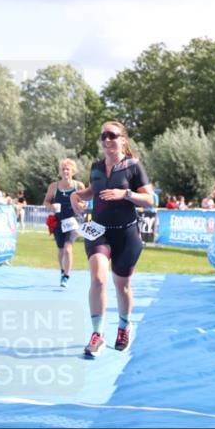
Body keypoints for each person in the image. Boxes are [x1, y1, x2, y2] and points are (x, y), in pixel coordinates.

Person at [72, 121, 154, 357]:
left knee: (123, 286)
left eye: (112, 135)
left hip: (127, 233)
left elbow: (150, 199)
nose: (107, 140)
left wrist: (125, 194)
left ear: (123, 140)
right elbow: (92, 191)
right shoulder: (96, 167)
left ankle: (123, 326)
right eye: (103, 136)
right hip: (99, 231)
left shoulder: (133, 166)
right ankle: (97, 334)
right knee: (98, 279)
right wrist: (77, 197)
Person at [43, 158, 85, 288]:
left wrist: (80, 205)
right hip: (58, 221)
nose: (65, 171)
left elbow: (85, 202)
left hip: (73, 221)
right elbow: (46, 202)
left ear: (73, 171)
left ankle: (66, 276)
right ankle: (63, 271)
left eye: (68, 169)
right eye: (63, 169)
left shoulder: (79, 186)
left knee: (67, 248)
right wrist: (51, 207)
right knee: (61, 249)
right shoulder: (54, 186)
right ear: (60, 172)